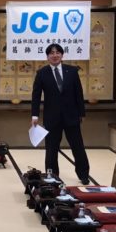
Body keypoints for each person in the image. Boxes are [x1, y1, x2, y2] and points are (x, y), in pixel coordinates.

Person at [30, 43, 91, 184]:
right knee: (51, 149)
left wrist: (81, 113)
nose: (55, 55)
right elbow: (36, 96)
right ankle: (52, 176)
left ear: (62, 55)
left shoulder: (72, 71)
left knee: (78, 147)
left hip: (72, 116)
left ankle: (83, 174)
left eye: (58, 52)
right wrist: (34, 115)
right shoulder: (42, 73)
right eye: (51, 53)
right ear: (47, 57)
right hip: (52, 117)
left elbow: (78, 93)